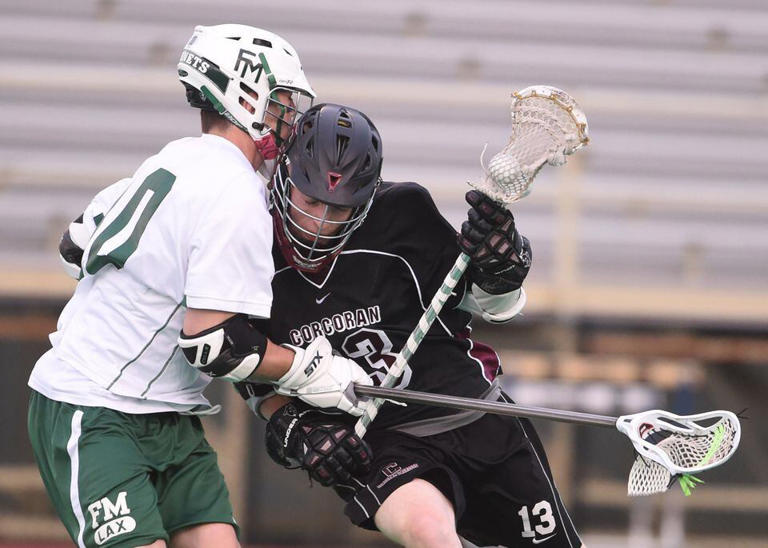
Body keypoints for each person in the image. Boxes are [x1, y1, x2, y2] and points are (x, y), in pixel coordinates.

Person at [28, 26, 371, 548]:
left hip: (166, 414)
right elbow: (215, 344)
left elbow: (74, 244)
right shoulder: (234, 191)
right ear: (246, 95)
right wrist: (312, 371)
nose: (290, 117)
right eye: (282, 101)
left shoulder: (175, 158)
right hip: (95, 407)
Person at [248, 103, 583, 547]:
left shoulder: (402, 214)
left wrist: (503, 265)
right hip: (385, 443)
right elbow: (249, 369)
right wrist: (299, 432)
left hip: (474, 412)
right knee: (431, 536)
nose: (320, 224)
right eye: (310, 202)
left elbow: (493, 306)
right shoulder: (247, 245)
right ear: (285, 178)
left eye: (340, 208)